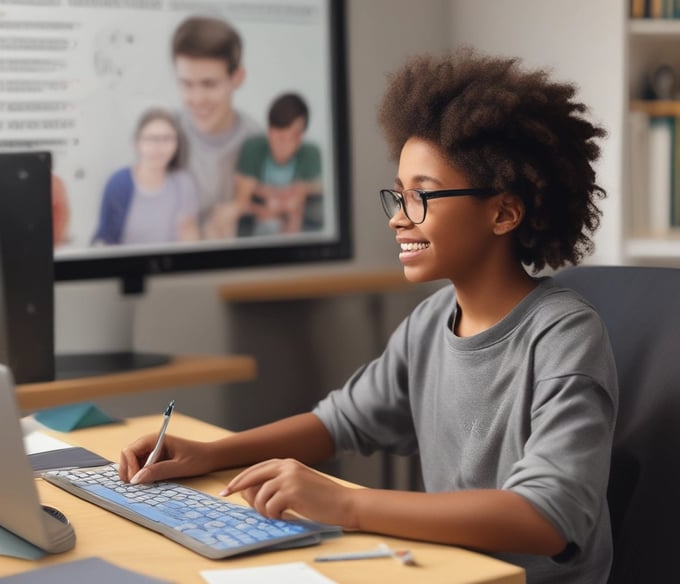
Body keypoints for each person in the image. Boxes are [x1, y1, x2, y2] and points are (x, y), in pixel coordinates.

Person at [120, 49, 618, 583]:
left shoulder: (565, 336)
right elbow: (340, 423)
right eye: (398, 196)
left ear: (503, 212)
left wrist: (346, 504)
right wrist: (210, 453)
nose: (399, 218)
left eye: (422, 196)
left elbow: (546, 518)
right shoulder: (430, 324)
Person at [170, 16, 261, 239]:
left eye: (209, 84)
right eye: (186, 84)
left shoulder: (259, 142)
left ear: (237, 78)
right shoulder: (163, 135)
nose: (197, 99)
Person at [92, 107, 199, 245]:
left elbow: (189, 236)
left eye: (167, 139)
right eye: (151, 139)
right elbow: (104, 238)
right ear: (137, 142)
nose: (158, 147)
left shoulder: (183, 183)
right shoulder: (118, 183)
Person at [234, 92, 322, 236]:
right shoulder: (253, 149)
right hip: (256, 223)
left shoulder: (311, 154)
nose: (283, 145)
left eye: (292, 137)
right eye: (279, 137)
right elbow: (241, 201)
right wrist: (268, 204)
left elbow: (313, 190)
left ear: (301, 136)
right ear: (269, 131)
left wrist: (300, 191)